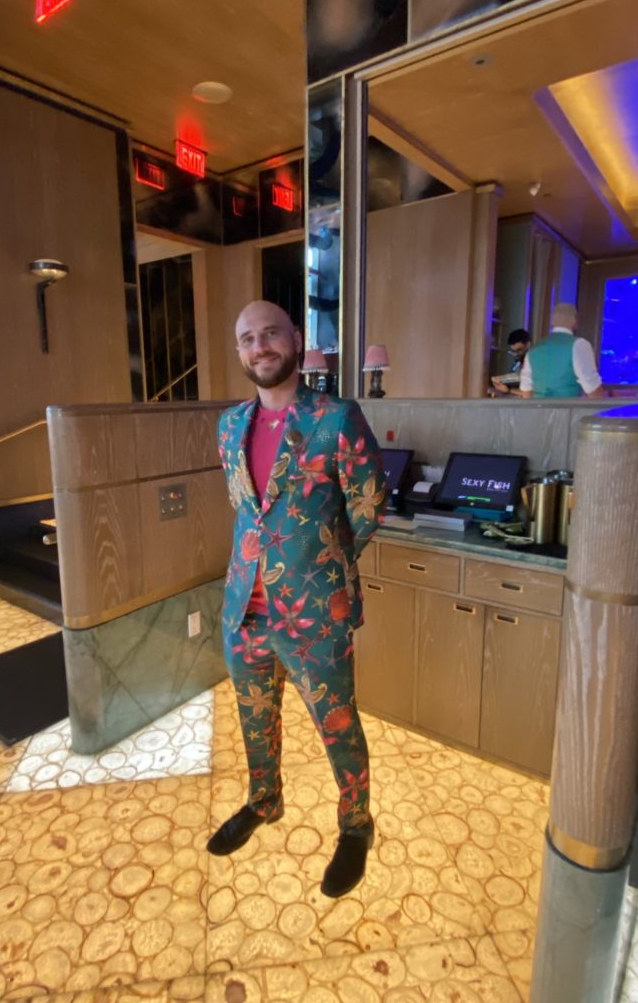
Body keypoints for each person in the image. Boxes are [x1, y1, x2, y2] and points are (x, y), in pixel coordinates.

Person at [209, 299, 386, 898]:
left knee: (338, 725)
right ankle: (264, 800)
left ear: (295, 338)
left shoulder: (336, 418)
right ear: (240, 350)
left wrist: (318, 567)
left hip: (315, 614)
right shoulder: (229, 425)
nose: (260, 347)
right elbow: (245, 509)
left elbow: (368, 507)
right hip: (244, 609)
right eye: (247, 338)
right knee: (255, 719)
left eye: (270, 334)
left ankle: (356, 825)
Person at [520, 303, 603, 399]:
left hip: (538, 407)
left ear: (552, 321)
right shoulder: (579, 345)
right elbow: (592, 388)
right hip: (568, 407)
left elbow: (526, 390)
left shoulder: (534, 349)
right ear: (575, 321)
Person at [490, 328, 531, 396]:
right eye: (513, 351)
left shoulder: (534, 362)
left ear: (528, 344)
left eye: (519, 350)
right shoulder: (517, 363)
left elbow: (529, 394)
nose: (516, 354)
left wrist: (508, 390)